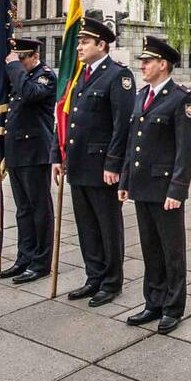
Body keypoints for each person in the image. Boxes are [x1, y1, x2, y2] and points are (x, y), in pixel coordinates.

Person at [119, 36, 191, 335]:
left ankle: (173, 307)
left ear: (162, 64)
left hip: (165, 190)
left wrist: (177, 189)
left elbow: (185, 151)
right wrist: (125, 180)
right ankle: (153, 302)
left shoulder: (181, 99)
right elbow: (132, 144)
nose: (142, 65)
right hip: (142, 186)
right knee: (150, 248)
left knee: (171, 251)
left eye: (147, 61)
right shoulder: (141, 96)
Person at [53, 17, 134, 306]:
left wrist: (114, 163)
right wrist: (57, 155)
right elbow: (65, 118)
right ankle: (94, 276)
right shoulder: (79, 76)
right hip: (77, 164)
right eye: (78, 42)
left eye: (84, 42)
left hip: (102, 168)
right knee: (86, 226)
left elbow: (122, 124)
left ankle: (112, 282)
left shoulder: (118, 76)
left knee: (107, 226)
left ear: (102, 44)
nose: (79, 47)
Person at [0, 38, 56, 284]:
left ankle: (41, 262)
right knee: (23, 210)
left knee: (40, 210)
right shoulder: (20, 77)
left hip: (35, 152)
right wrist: (1, 122)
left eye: (20, 59)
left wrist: (14, 67)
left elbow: (30, 95)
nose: (16, 64)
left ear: (32, 56)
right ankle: (24, 258)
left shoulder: (44, 76)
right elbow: (15, 107)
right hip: (17, 151)